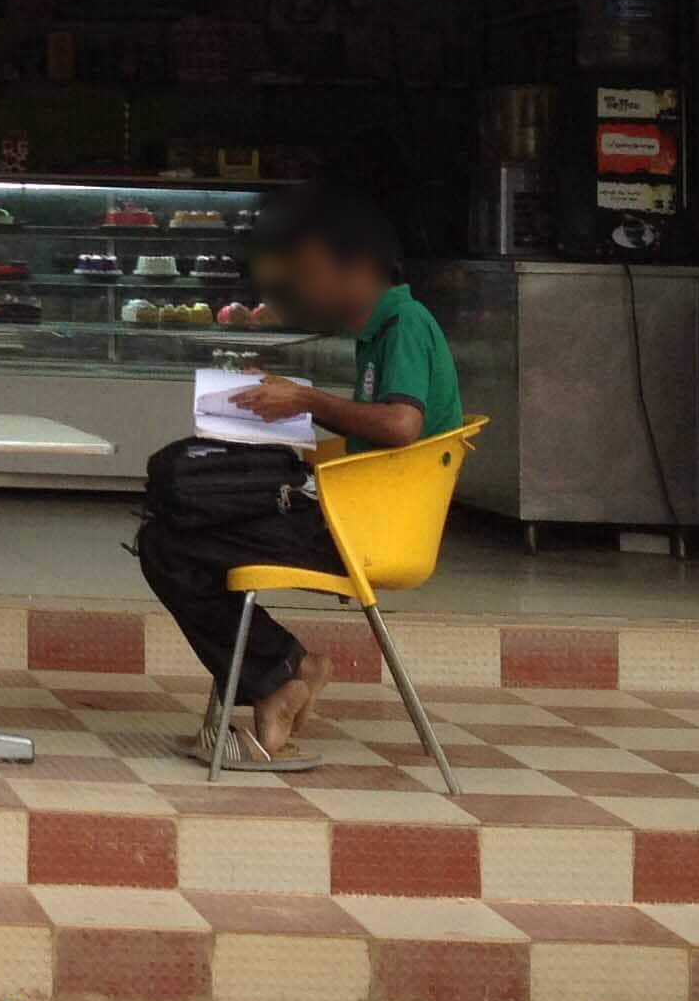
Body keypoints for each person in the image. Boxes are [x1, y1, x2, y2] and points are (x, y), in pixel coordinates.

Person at [133, 184, 461, 765]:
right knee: (175, 531)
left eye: (310, 272)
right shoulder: (381, 333)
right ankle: (283, 668)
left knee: (171, 541)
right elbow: (371, 436)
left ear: (356, 268)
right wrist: (278, 415)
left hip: (362, 530)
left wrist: (304, 400)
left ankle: (281, 674)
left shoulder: (404, 325)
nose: (301, 288)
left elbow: (401, 426)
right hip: (350, 513)